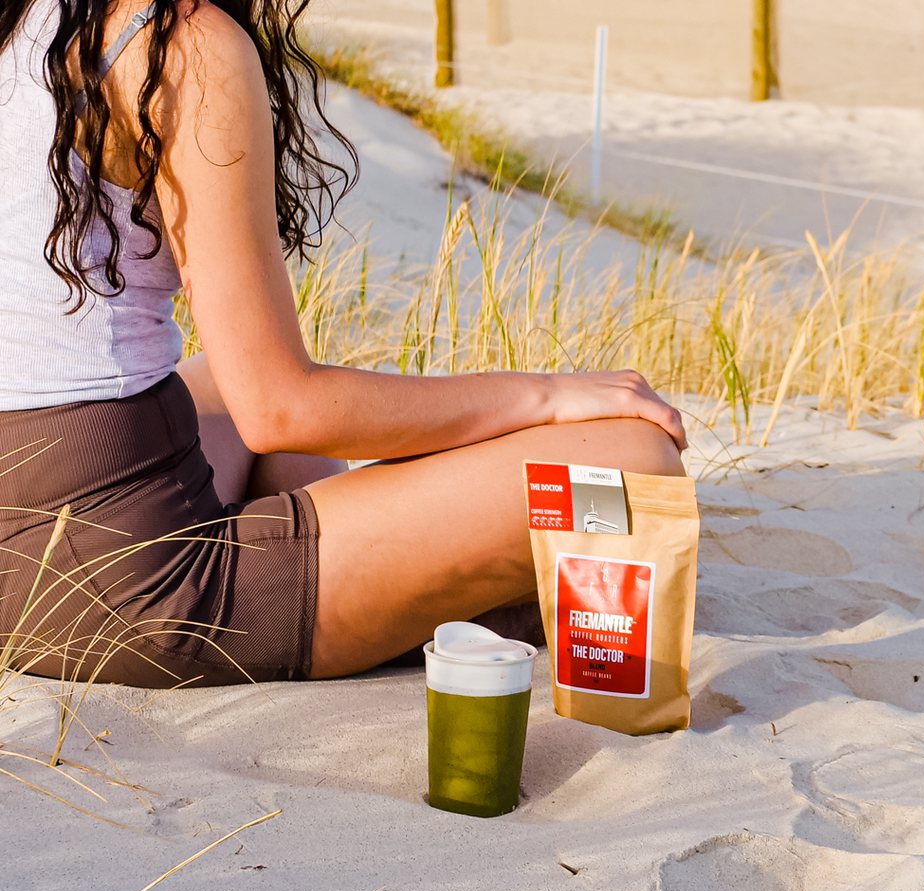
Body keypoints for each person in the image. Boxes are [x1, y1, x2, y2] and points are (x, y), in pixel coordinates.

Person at [0, 0, 687, 689]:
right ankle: (404, 607)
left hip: (17, 545)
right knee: (633, 463)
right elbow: (281, 408)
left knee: (232, 395)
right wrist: (548, 395)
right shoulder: (182, 44)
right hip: (130, 586)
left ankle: (348, 577)